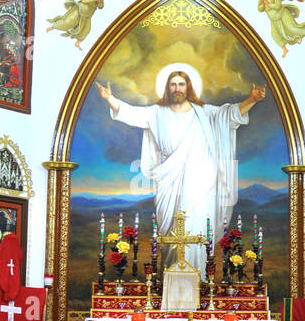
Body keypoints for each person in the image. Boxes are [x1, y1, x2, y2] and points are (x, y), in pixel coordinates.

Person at [97, 68, 265, 272]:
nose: (177, 88)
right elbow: (131, 113)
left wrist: (252, 100)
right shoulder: (157, 112)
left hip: (200, 180)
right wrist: (110, 98)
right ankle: (172, 276)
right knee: (170, 228)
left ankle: (200, 279)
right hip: (168, 178)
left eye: (181, 84)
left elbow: (228, 114)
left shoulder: (204, 112)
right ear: (167, 88)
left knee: (197, 225)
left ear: (188, 87)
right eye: (173, 84)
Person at [48, 0, 112, 50]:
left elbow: (101, 6)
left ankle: (77, 43)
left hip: (89, 13)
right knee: (68, 23)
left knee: (86, 29)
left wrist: (99, 1)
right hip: (81, 9)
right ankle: (53, 27)